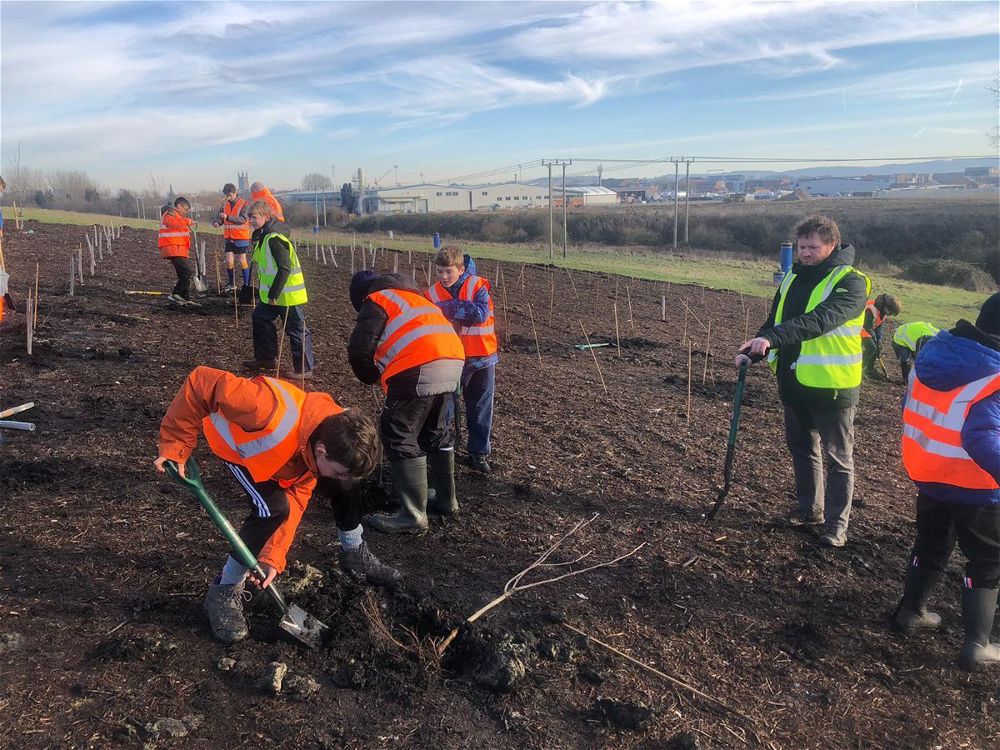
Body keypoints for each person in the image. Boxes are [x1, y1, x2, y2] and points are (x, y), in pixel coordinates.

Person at [153, 366, 400, 644]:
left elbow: (296, 497)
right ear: (321, 451)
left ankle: (354, 551)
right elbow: (201, 382)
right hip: (237, 447)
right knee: (270, 509)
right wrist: (176, 447)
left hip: (283, 457)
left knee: (345, 485)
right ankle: (223, 591)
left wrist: (273, 556)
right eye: (338, 469)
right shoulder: (261, 407)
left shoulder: (326, 437)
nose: (339, 476)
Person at [735, 215, 870, 548]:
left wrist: (774, 338)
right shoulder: (792, 276)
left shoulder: (851, 283)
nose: (805, 253)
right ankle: (810, 510)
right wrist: (754, 347)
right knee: (803, 449)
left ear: (832, 246)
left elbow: (820, 320)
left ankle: (837, 527)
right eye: (801, 246)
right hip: (794, 380)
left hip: (832, 385)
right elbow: (775, 319)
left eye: (813, 247)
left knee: (838, 459)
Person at [891, 293, 1000, 671]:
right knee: (987, 559)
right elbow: (982, 438)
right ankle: (977, 646)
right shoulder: (994, 373)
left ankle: (912, 611)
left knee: (933, 542)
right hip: (976, 485)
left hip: (929, 470)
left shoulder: (935, 351)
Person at [347, 271, 465, 533]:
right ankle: (447, 500)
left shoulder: (377, 299)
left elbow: (360, 349)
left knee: (398, 432)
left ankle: (412, 516)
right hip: (454, 361)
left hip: (419, 363)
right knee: (436, 432)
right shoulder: (417, 299)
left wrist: (369, 375)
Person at [425, 247, 498, 474]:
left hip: (481, 358)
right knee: (443, 410)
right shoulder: (431, 294)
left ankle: (478, 453)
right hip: (448, 359)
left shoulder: (477, 286)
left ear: (461, 269)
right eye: (439, 271)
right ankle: (443, 453)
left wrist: (445, 309)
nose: (443, 277)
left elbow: (480, 314)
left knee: (479, 409)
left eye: (448, 271)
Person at [246, 200, 314, 377]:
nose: (250, 221)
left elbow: (285, 268)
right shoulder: (264, 236)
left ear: (266, 216)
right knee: (259, 318)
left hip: (286, 295)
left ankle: (304, 369)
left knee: (296, 330)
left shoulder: (275, 239)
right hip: (272, 295)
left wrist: (274, 293)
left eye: (254, 217)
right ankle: (266, 359)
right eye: (249, 217)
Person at [158, 197, 199, 306]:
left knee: (183, 274)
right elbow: (172, 223)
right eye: (185, 209)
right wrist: (188, 221)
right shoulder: (170, 214)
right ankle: (176, 294)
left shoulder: (177, 216)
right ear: (179, 205)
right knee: (186, 272)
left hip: (178, 248)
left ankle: (185, 297)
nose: (185, 212)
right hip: (172, 248)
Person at [212, 183, 251, 293]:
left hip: (241, 237)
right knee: (229, 261)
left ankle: (246, 284)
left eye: (230, 195)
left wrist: (227, 217)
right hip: (229, 237)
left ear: (235, 193)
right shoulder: (224, 205)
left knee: (242, 260)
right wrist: (217, 222)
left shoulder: (244, 204)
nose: (228, 198)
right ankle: (231, 283)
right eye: (226, 195)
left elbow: (243, 220)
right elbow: (220, 217)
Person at [861, 293, 901, 380]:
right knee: (871, 347)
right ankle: (859, 369)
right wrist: (875, 340)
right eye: (891, 312)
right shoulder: (871, 309)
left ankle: (870, 369)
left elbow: (879, 328)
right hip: (860, 328)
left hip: (868, 330)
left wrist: (878, 341)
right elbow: (867, 326)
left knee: (877, 348)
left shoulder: (883, 313)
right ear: (886, 307)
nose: (890, 315)